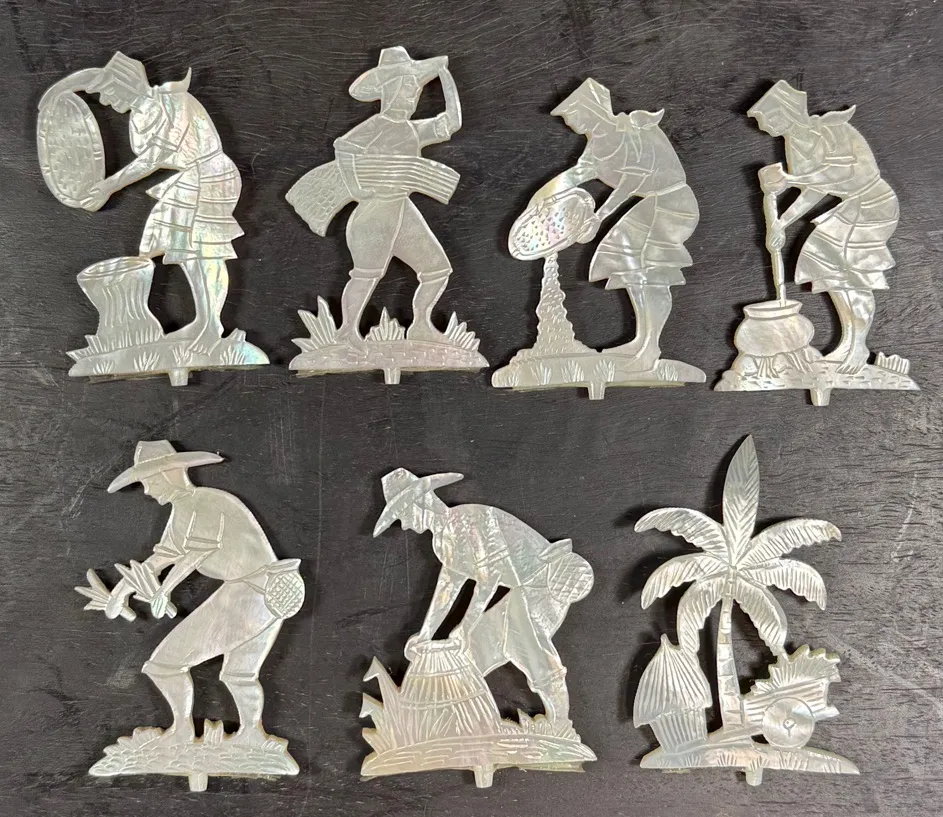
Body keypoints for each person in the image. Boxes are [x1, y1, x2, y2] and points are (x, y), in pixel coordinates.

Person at [104, 441, 304, 746]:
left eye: (149, 481)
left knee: (166, 664)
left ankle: (183, 733)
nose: (147, 491)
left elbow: (196, 553)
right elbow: (162, 557)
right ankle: (252, 737)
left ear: (170, 474)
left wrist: (165, 591)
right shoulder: (183, 510)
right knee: (239, 674)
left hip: (252, 592)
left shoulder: (206, 502)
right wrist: (120, 593)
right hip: (266, 593)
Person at [373, 468, 593, 723]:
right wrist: (425, 634)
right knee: (474, 649)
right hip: (525, 588)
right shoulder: (444, 538)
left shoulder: (466, 523)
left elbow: (488, 582)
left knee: (523, 641)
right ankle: (461, 720)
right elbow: (448, 588)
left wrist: (464, 628)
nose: (404, 524)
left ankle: (560, 721)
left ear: (421, 502)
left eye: (403, 514)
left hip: (543, 586)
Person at [527, 78, 699, 370]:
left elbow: (631, 183)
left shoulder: (630, 131)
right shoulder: (597, 146)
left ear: (591, 108)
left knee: (649, 269)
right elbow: (574, 176)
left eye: (572, 113)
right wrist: (538, 202)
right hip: (653, 205)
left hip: (673, 204)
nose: (569, 121)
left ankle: (650, 349)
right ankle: (642, 341)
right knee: (627, 264)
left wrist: (598, 216)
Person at [80, 52, 244, 354]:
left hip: (212, 175)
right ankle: (204, 321)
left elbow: (155, 157)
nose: (105, 100)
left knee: (206, 252)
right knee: (184, 251)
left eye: (108, 91)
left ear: (126, 84)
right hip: (191, 178)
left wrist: (110, 185)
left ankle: (211, 327)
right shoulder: (140, 114)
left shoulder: (175, 102)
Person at [750, 80, 899, 374]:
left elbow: (847, 175)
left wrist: (790, 181)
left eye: (765, 117)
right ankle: (849, 342)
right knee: (823, 262)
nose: (762, 125)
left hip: (873, 204)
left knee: (851, 273)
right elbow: (814, 190)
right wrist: (781, 223)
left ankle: (859, 346)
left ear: (786, 112)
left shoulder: (832, 129)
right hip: (851, 206)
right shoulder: (794, 143)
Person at [331, 47, 462, 349]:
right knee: (366, 274)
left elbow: (451, 122)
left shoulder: (413, 130)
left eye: (415, 91)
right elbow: (344, 148)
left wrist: (445, 78)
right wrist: (355, 188)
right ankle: (347, 331)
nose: (411, 96)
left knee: (437, 269)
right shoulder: (376, 125)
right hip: (374, 214)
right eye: (405, 89)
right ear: (388, 91)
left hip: (402, 209)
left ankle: (421, 325)